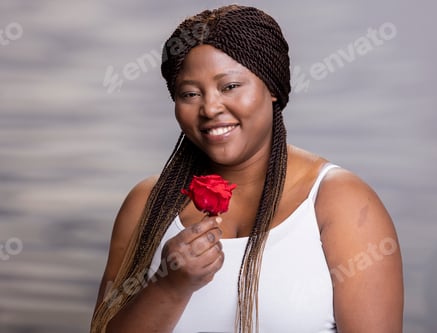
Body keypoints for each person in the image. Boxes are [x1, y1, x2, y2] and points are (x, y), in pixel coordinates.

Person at [90, 5, 403, 333]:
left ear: (272, 89)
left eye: (229, 87)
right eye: (190, 93)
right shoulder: (147, 204)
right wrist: (169, 286)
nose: (210, 108)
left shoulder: (340, 201)